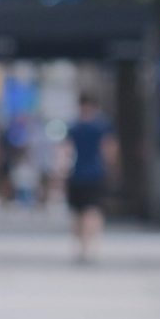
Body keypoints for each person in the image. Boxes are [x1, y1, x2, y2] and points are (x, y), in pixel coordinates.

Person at [63, 94, 116, 263]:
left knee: (78, 213)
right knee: (93, 210)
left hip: (76, 173)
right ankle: (92, 245)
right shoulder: (102, 127)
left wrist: (62, 172)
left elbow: (66, 151)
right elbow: (109, 150)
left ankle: (82, 246)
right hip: (95, 173)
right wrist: (111, 168)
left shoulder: (74, 127)